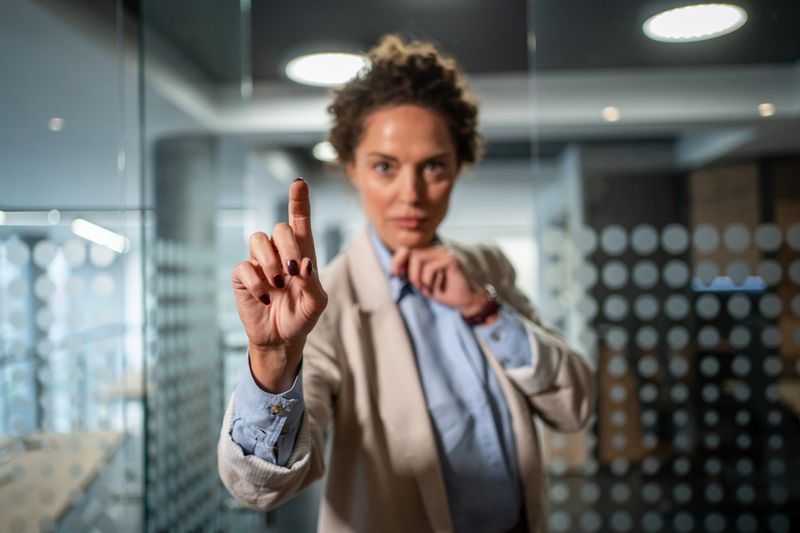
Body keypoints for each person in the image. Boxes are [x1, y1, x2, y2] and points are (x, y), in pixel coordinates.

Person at [218, 35, 595, 533]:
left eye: (433, 166)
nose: (410, 194)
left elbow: (575, 407)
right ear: (352, 168)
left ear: (459, 166)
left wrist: (482, 309)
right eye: (384, 167)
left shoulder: (489, 269)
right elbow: (259, 487)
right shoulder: (324, 303)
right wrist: (273, 358)